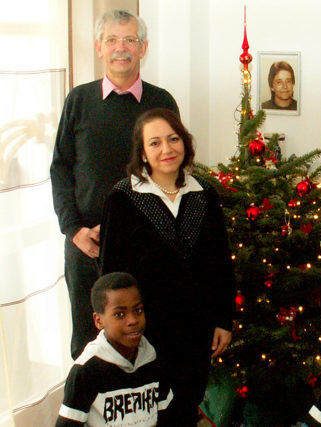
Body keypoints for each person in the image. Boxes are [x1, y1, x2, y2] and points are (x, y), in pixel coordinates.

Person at [50, 9, 179, 360]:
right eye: (112, 40)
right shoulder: (78, 100)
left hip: (145, 247)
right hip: (85, 247)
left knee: (147, 339)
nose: (121, 48)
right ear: (98, 47)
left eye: (130, 40)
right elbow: (60, 169)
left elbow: (173, 174)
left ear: (143, 48)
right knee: (87, 344)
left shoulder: (161, 102)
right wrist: (74, 230)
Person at [99, 108, 235, 425]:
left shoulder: (204, 193)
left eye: (173, 139)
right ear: (143, 152)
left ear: (184, 143)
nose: (167, 149)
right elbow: (109, 275)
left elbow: (220, 264)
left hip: (196, 331)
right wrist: (119, 328)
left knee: (186, 407)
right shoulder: (122, 197)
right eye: (155, 143)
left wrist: (223, 319)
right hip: (145, 332)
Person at [56, 272, 173, 426]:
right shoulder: (86, 371)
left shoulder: (153, 361)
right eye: (119, 314)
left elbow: (168, 418)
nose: (132, 321)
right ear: (99, 321)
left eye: (138, 310)